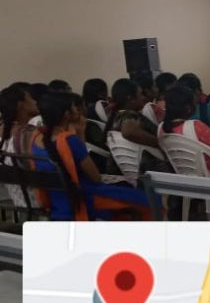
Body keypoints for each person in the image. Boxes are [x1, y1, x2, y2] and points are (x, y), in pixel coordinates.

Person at [32, 92, 153, 220]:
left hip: (56, 201)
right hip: (83, 200)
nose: (78, 110)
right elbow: (95, 178)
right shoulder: (69, 141)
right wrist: (80, 134)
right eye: (74, 107)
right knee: (149, 200)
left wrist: (80, 133)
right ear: (67, 114)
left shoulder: (36, 139)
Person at [1, 82, 39, 210]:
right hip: (37, 200)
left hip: (17, 200)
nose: (35, 101)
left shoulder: (4, 131)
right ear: (20, 105)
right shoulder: (28, 134)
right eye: (31, 98)